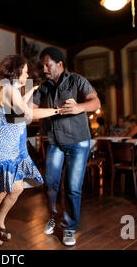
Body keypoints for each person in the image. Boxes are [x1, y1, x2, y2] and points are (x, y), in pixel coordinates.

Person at [0, 55, 59, 246]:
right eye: (25, 71)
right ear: (16, 72)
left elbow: (19, 108)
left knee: (16, 189)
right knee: (0, 192)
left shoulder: (12, 90)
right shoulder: (8, 89)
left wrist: (31, 90)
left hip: (16, 148)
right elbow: (26, 114)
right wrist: (57, 111)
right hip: (5, 148)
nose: (27, 74)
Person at [31, 47, 101, 246]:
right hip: (55, 142)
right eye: (43, 65)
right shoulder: (43, 88)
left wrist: (79, 107)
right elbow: (31, 112)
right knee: (51, 184)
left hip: (79, 142)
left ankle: (70, 227)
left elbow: (96, 102)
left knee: (72, 187)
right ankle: (53, 216)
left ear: (59, 64)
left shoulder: (77, 80)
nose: (44, 68)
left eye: (48, 64)